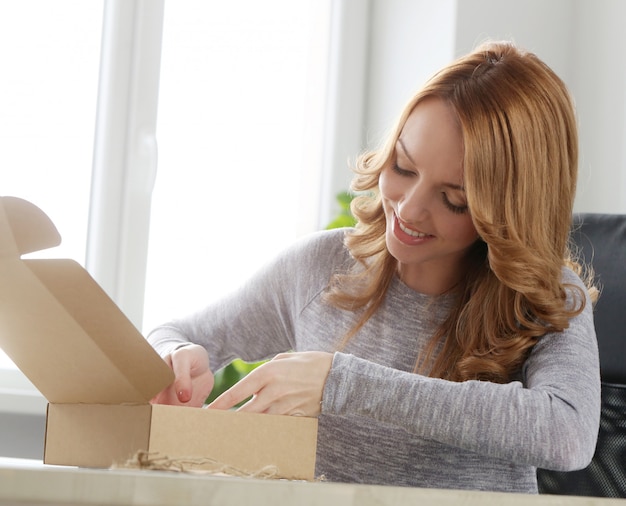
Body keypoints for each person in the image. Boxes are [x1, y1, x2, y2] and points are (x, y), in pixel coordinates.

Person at [147, 40, 600, 493]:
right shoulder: (319, 267)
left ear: (509, 212)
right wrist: (174, 357)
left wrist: (342, 382)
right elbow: (174, 333)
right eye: (403, 167)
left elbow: (568, 434)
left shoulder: (543, 296)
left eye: (453, 200)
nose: (409, 208)